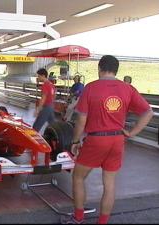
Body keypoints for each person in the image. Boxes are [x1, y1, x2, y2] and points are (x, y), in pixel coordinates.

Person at [65, 55, 153, 224]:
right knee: (109, 183)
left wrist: (75, 142)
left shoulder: (90, 88)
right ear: (116, 70)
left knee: (78, 177)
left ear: (99, 68)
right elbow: (148, 112)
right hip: (117, 140)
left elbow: (81, 120)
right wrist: (132, 132)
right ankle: (102, 222)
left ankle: (78, 218)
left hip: (97, 140)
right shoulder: (127, 88)